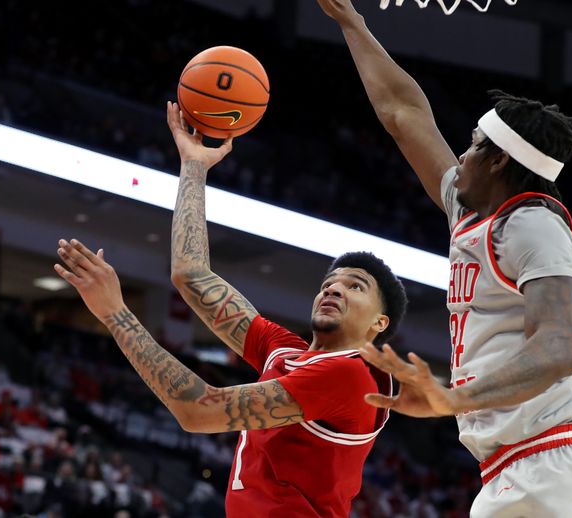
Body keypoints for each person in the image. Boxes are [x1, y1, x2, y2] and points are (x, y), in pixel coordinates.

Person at [316, 1, 572, 517]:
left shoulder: (533, 223)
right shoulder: (470, 209)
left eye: (475, 146)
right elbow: (404, 114)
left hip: (556, 470)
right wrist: (352, 22)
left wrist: (449, 398)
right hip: (507, 472)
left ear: (501, 160)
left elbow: (561, 345)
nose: (462, 154)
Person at [52, 101, 408, 518]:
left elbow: (197, 411)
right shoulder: (284, 351)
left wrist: (117, 314)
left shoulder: (349, 374)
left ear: (378, 324)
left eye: (355, 286)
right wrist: (194, 165)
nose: (334, 289)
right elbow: (190, 273)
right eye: (329, 282)